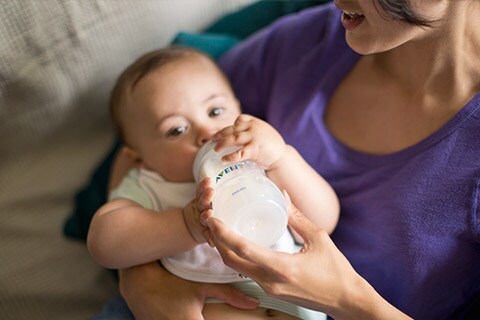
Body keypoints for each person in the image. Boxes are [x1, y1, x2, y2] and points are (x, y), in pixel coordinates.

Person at [111, 0, 480, 319]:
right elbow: (144, 129)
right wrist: (142, 279)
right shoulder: (314, 40)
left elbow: (322, 216)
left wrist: (345, 300)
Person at [87, 46, 339, 319]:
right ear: (139, 159)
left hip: (295, 302)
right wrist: (187, 224)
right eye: (176, 130)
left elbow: (323, 220)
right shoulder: (152, 186)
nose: (206, 132)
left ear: (239, 109)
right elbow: (104, 243)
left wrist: (280, 158)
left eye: (216, 111)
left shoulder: (257, 160)